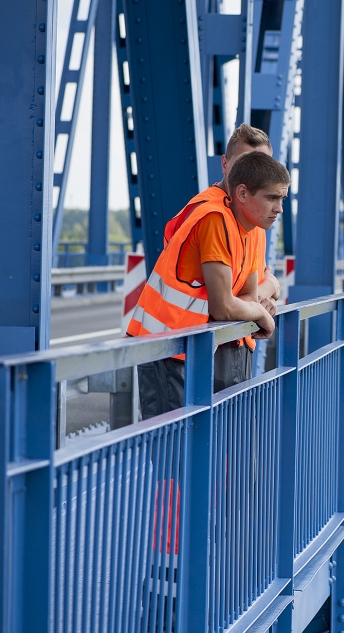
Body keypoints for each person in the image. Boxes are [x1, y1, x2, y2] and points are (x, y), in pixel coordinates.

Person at [128, 152, 291, 419]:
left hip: (189, 348)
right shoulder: (216, 219)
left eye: (282, 199)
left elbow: (242, 296)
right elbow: (225, 306)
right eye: (271, 198)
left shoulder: (247, 228)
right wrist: (262, 313)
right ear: (242, 193)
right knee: (175, 451)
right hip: (166, 347)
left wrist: (263, 292)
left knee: (195, 450)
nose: (279, 208)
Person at [164, 123, 282, 303]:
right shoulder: (212, 214)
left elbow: (250, 293)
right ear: (225, 164)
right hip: (191, 328)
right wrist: (271, 286)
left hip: (232, 330)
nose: (253, 175)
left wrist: (268, 297)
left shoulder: (252, 214)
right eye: (243, 164)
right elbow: (224, 303)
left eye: (262, 167)